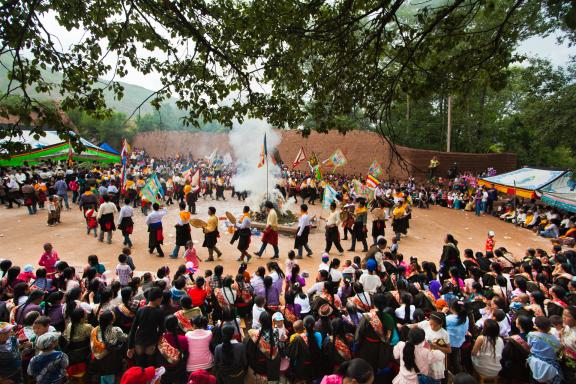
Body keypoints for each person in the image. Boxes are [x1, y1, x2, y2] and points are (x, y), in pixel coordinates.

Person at [127, 287, 165, 368]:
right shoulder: (159, 312)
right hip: (151, 343)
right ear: (158, 298)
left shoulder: (140, 310)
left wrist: (130, 347)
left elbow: (133, 329)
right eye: (161, 298)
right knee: (150, 366)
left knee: (140, 365)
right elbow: (161, 330)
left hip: (139, 343)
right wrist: (156, 341)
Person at [90, 310, 127, 384]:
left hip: (96, 358)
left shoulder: (94, 330)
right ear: (111, 321)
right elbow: (125, 338)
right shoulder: (116, 330)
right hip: (110, 360)